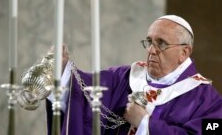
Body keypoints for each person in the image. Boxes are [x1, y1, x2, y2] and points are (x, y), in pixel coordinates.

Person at [45, 15, 222, 135]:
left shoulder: (207, 99)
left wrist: (145, 123)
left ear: (184, 52)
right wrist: (64, 72)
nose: (152, 50)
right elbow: (85, 94)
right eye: (149, 41)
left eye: (161, 43)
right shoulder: (124, 77)